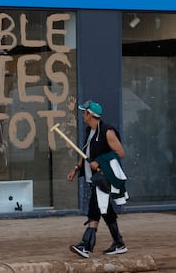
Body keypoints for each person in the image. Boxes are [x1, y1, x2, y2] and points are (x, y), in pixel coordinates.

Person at [67, 100, 128, 259]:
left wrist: (99, 161)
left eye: (83, 112)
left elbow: (121, 153)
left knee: (94, 208)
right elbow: (84, 152)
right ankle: (119, 243)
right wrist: (76, 168)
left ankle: (86, 246)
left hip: (103, 178)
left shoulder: (107, 132)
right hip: (92, 177)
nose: (82, 115)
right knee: (105, 210)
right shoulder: (90, 131)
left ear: (90, 114)